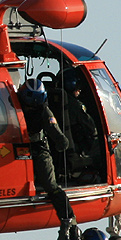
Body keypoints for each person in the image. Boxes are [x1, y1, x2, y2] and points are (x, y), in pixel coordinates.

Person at [18, 78, 74, 226]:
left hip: (37, 147)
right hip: (13, 146)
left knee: (51, 185)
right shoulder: (12, 103)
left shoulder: (43, 111)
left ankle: (68, 218)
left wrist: (61, 141)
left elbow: (53, 129)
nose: (31, 107)